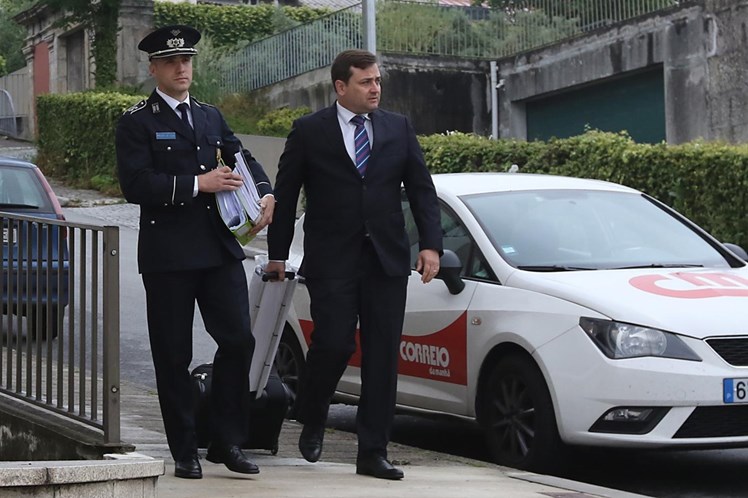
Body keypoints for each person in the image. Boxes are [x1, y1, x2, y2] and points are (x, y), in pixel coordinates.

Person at [266, 49, 442, 480]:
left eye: (378, 80)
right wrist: (277, 255)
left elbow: (422, 190)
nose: (375, 88)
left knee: (382, 355)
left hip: (386, 258)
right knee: (334, 343)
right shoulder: (310, 131)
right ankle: (313, 412)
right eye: (366, 82)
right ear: (341, 86)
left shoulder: (398, 127)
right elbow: (285, 196)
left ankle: (373, 452)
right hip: (332, 259)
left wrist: (431, 246)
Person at [115, 25, 275, 480]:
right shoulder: (136, 121)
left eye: (186, 60)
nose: (181, 68)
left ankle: (227, 440)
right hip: (168, 254)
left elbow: (241, 157)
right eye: (171, 62)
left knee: (239, 341)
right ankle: (184, 449)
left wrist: (265, 192)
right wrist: (197, 183)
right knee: (173, 354)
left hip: (218, 248)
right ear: (154, 69)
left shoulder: (209, 115)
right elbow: (136, 184)